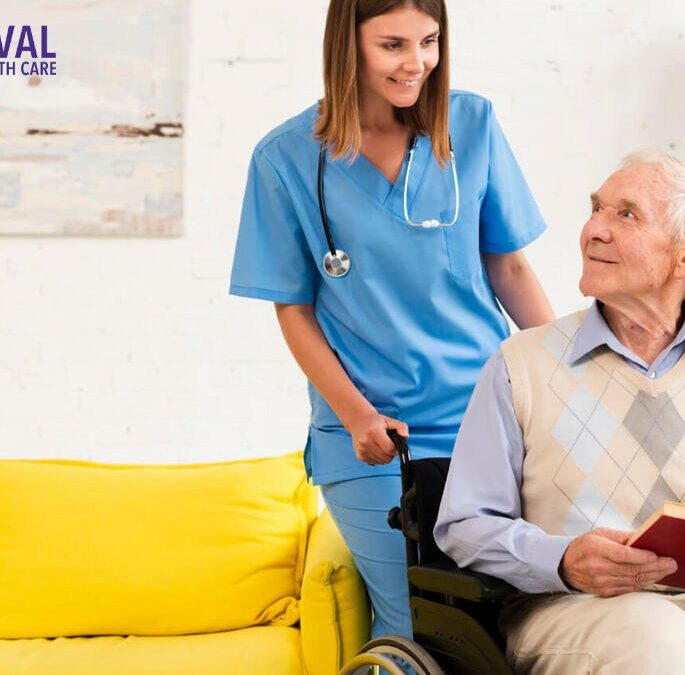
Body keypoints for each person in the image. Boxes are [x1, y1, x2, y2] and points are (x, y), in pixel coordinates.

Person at [229, 0, 553, 639]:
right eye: (393, 45)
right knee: (421, 624)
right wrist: (357, 417)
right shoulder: (285, 158)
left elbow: (510, 268)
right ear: (346, 44)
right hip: (376, 439)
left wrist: (566, 383)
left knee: (514, 622)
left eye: (429, 41)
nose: (416, 63)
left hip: (489, 422)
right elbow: (293, 310)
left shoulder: (472, 124)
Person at [434, 150, 685, 674]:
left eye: (625, 214)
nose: (593, 231)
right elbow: (466, 524)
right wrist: (563, 560)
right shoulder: (521, 364)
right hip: (575, 611)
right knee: (654, 633)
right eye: (596, 209)